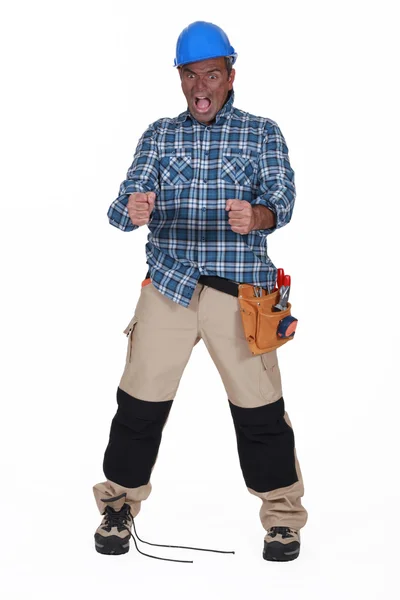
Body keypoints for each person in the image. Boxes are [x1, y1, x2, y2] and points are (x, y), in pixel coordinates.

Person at [93, 20, 307, 563]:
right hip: (169, 285)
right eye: (191, 76)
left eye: (212, 74)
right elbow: (122, 207)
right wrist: (133, 209)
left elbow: (282, 199)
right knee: (137, 405)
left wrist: (257, 215)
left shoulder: (262, 132)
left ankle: (282, 518)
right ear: (181, 80)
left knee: (261, 411)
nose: (201, 87)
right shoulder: (160, 135)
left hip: (242, 293)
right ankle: (117, 506)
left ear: (231, 77)